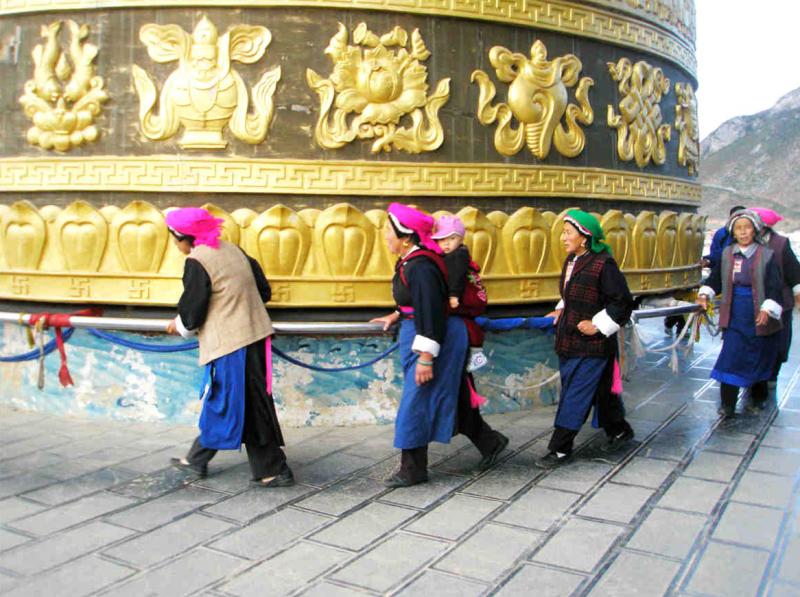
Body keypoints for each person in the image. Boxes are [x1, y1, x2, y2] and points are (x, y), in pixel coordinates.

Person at [370, 203, 508, 488]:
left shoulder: (421, 266)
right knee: (454, 394)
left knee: (416, 399)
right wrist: (397, 312)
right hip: (424, 330)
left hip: (434, 337)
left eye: (388, 231)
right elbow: (415, 300)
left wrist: (425, 358)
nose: (385, 236)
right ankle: (489, 441)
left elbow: (432, 310)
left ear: (406, 236)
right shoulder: (412, 261)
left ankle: (413, 468)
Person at [165, 207, 293, 488]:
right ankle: (205, 460)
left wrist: (180, 324)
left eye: (174, 239)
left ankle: (270, 469)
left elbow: (193, 310)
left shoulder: (197, 260)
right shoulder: (234, 250)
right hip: (255, 336)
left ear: (183, 236)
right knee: (247, 402)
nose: (176, 246)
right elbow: (264, 290)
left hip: (231, 345)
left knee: (228, 402)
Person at [538, 209, 635, 469]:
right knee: (602, 391)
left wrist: (598, 325)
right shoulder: (572, 260)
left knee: (575, 393)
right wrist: (561, 308)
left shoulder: (604, 264)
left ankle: (560, 447)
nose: (563, 238)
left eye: (568, 233)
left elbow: (622, 303)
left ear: (584, 237)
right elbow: (572, 292)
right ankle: (619, 429)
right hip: (569, 337)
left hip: (592, 342)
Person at [697, 209, 783, 416]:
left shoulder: (766, 255)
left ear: (755, 230)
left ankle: (758, 398)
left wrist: (767, 310)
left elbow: (774, 286)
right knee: (731, 356)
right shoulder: (727, 254)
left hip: (758, 315)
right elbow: (716, 279)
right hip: (734, 313)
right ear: (733, 233)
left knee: (757, 355)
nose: (743, 232)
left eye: (747, 228)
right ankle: (727, 404)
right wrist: (705, 294)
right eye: (738, 229)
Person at [431, 214, 488, 372]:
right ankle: (475, 351)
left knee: (467, 323)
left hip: (463, 296)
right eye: (441, 240)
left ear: (461, 239)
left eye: (452, 239)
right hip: (460, 298)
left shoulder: (458, 256)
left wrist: (453, 295)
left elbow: (456, 276)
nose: (446, 244)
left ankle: (476, 352)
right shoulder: (448, 255)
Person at [750, 207, 800, 385]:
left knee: (778, 341)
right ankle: (755, 374)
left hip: (780, 301)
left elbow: (794, 272)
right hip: (752, 301)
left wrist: (797, 293)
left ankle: (771, 375)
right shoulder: (745, 244)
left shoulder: (780, 244)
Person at [702, 205, 745, 270]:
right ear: (731, 218)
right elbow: (715, 255)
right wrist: (708, 261)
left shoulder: (752, 234)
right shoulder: (722, 234)